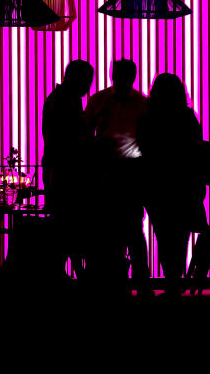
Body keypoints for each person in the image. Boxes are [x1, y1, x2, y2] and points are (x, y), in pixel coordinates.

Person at [137, 72, 210, 296]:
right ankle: (177, 280)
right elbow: (196, 145)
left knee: (164, 235)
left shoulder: (148, 117)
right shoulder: (186, 115)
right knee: (181, 237)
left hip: (157, 185)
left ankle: (171, 280)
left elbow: (144, 149)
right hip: (186, 185)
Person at [84, 59, 150, 294]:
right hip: (126, 170)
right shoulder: (142, 103)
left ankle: (116, 284)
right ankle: (138, 283)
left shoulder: (100, 100)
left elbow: (85, 135)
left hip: (118, 171)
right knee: (130, 229)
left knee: (115, 229)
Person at [40, 60, 94, 279]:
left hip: (61, 170)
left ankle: (62, 273)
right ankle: (63, 273)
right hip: (65, 172)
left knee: (64, 224)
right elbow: (63, 140)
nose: (89, 87)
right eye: (87, 81)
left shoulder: (61, 99)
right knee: (66, 224)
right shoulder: (64, 102)